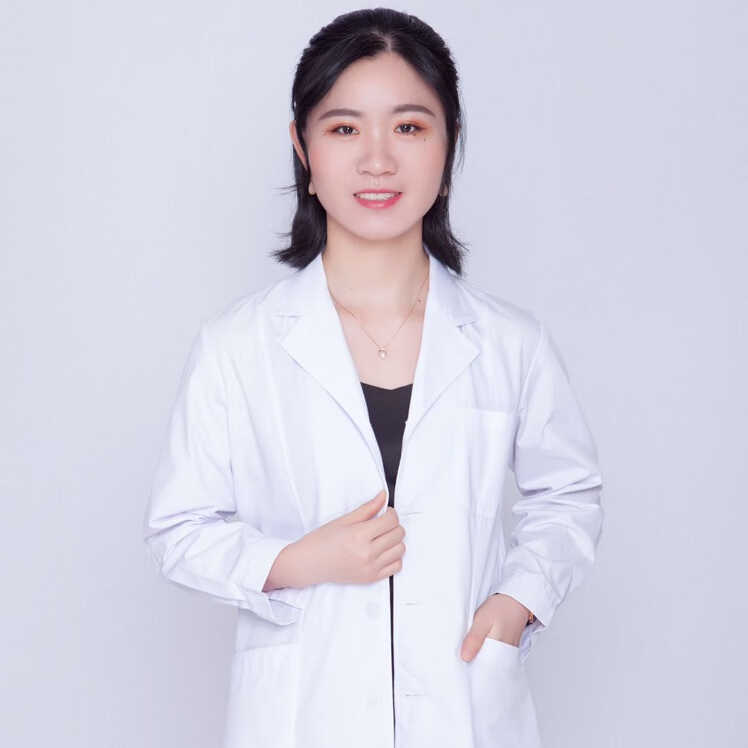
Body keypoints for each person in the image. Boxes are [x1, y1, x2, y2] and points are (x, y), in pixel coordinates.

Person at [143, 9, 604, 748]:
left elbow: (568, 495)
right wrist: (294, 561)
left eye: (410, 127)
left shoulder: (510, 343)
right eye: (344, 128)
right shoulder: (238, 346)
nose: (378, 161)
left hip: (462, 707)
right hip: (302, 715)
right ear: (303, 148)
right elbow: (179, 529)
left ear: (449, 143)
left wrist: (517, 603)